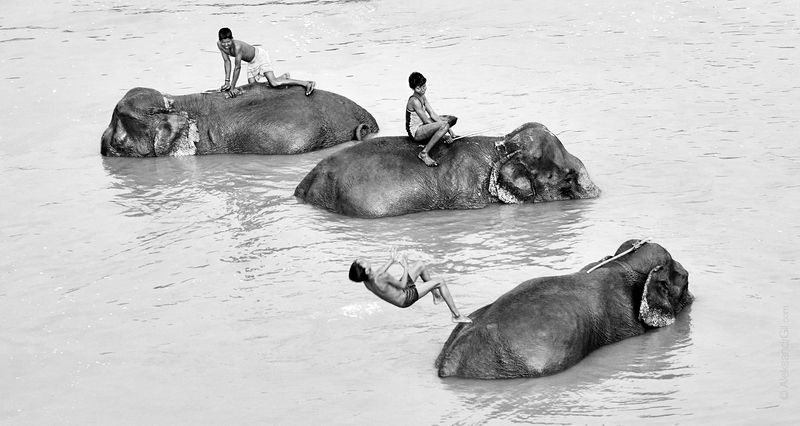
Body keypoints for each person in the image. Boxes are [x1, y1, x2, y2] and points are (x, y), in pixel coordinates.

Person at [348, 249, 472, 323]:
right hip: (406, 297)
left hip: (399, 294)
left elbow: (378, 273)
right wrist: (405, 266)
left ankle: (436, 296)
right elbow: (402, 285)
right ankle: (456, 316)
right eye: (361, 262)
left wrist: (391, 260)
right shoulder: (382, 277)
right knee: (440, 281)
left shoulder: (366, 281)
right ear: (367, 270)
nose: (362, 259)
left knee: (420, 265)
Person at [217, 27, 315, 98]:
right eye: (223, 42)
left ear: (232, 39)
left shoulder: (237, 47)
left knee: (274, 83)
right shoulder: (220, 45)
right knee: (253, 86)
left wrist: (232, 87)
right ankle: (282, 78)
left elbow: (237, 67)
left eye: (228, 42)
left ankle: (306, 83)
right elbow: (227, 61)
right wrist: (227, 82)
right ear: (220, 41)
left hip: (260, 56)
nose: (226, 45)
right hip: (251, 62)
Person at [405, 72, 458, 167]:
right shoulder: (414, 101)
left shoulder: (422, 96)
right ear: (416, 88)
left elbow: (432, 113)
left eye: (424, 86)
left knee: (450, 119)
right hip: (416, 131)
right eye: (421, 87)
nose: (424, 89)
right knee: (444, 125)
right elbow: (426, 121)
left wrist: (449, 129)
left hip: (423, 126)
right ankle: (424, 153)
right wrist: (445, 130)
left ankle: (442, 133)